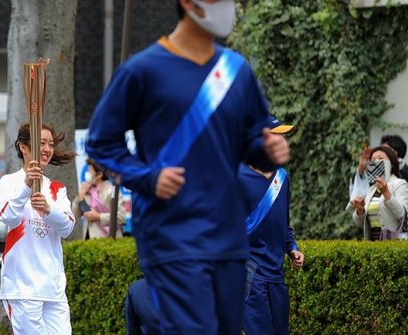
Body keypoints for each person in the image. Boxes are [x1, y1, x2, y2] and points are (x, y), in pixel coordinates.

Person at [85, 0, 290, 333]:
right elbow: (101, 143)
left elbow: (251, 144)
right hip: (170, 236)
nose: (228, 7)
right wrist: (146, 177)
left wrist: (269, 151)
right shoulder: (143, 71)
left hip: (227, 240)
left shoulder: (236, 71)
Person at [0, 123, 76, 335]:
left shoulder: (57, 189)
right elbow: (8, 217)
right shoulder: (9, 183)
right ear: (23, 147)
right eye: (41, 143)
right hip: (22, 286)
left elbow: (67, 228)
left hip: (53, 287)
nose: (47, 149)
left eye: (50, 144)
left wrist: (49, 210)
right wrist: (26, 186)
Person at [239, 116, 304, 335]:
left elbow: (284, 224)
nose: (284, 144)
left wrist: (292, 248)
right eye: (277, 138)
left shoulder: (282, 178)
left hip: (276, 273)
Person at [350, 146, 408, 240]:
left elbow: (402, 215)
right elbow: (359, 224)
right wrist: (360, 210)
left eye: (381, 158)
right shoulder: (372, 189)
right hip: (373, 243)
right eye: (373, 160)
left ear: (391, 164)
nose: (376, 161)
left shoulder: (399, 184)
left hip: (393, 242)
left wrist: (386, 193)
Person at [72, 159, 126, 239]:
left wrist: (98, 217)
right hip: (89, 241)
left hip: (108, 241)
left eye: (90, 171)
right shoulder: (87, 191)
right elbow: (75, 213)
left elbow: (121, 217)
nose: (87, 174)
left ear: (99, 174)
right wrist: (81, 195)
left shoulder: (112, 191)